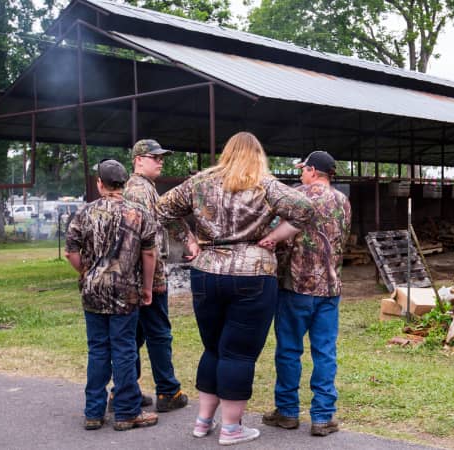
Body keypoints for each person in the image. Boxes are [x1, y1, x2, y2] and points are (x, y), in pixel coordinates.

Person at [156, 131, 313, 445]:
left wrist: (187, 238)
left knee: (214, 348)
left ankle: (203, 422)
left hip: (205, 271)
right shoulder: (265, 184)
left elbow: (162, 208)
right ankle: (231, 428)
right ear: (258, 156)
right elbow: (305, 209)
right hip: (252, 273)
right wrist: (276, 236)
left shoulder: (200, 182)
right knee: (239, 354)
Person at [260, 150, 351, 437]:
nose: (301, 173)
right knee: (325, 352)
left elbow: (278, 234)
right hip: (329, 288)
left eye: (303, 169)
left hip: (295, 287)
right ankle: (323, 417)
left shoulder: (296, 196)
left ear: (312, 170)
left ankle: (287, 412)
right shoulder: (343, 201)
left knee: (289, 350)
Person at [65, 159, 160, 431]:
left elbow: (71, 251)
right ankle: (126, 412)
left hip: (93, 291)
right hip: (126, 291)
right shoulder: (139, 212)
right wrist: (147, 286)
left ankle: (93, 413)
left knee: (97, 350)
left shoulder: (84, 213)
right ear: (124, 184)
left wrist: (86, 272)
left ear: (100, 183)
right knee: (124, 349)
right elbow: (149, 253)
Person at [123, 139, 195, 413]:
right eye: (155, 157)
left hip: (136, 275)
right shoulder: (140, 191)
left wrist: (187, 238)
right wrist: (154, 281)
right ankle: (167, 390)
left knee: (136, 335)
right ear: (138, 160)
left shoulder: (144, 189)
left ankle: (125, 390)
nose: (160, 161)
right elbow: (146, 240)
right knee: (159, 333)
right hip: (146, 275)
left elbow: (168, 215)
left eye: (161, 156)